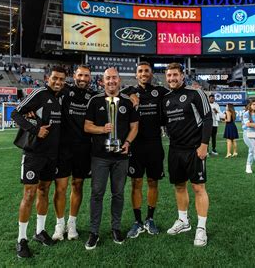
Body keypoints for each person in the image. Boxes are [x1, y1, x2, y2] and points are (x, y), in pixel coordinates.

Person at [11, 66, 66, 258]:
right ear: (47, 78)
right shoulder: (39, 94)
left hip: (52, 155)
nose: (58, 82)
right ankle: (21, 239)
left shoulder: (62, 96)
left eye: (61, 80)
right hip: (34, 154)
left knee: (44, 191)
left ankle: (40, 232)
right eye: (55, 78)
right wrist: (35, 130)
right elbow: (15, 113)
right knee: (29, 194)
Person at [84, 67, 139, 250]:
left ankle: (116, 228)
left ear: (119, 80)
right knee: (97, 194)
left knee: (118, 194)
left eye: (114, 78)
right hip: (100, 157)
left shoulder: (128, 102)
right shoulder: (95, 101)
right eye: (108, 78)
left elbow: (135, 126)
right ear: (102, 81)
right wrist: (102, 129)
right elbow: (87, 126)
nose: (111, 81)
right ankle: (94, 232)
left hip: (121, 157)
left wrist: (128, 142)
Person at [161, 63, 212, 247]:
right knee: (179, 186)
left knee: (199, 188)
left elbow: (208, 118)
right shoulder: (165, 99)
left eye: (175, 74)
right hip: (175, 150)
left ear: (182, 76)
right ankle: (183, 221)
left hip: (194, 149)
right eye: (169, 75)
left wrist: (204, 145)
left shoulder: (195, 93)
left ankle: (201, 228)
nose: (172, 78)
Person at [121, 62, 169, 238]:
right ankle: (137, 221)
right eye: (140, 71)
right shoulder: (127, 93)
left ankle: (149, 219)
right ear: (136, 74)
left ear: (151, 74)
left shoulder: (160, 92)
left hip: (155, 145)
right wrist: (130, 94)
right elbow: (113, 95)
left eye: (146, 71)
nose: (143, 74)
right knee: (136, 183)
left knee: (153, 182)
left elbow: (177, 95)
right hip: (135, 145)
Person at [52, 65, 96, 241]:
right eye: (80, 75)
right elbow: (44, 99)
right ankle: (59, 224)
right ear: (74, 76)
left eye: (86, 75)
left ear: (90, 78)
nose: (83, 78)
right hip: (63, 149)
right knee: (60, 187)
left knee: (77, 185)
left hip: (84, 149)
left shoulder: (93, 97)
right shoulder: (63, 91)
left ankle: (72, 224)